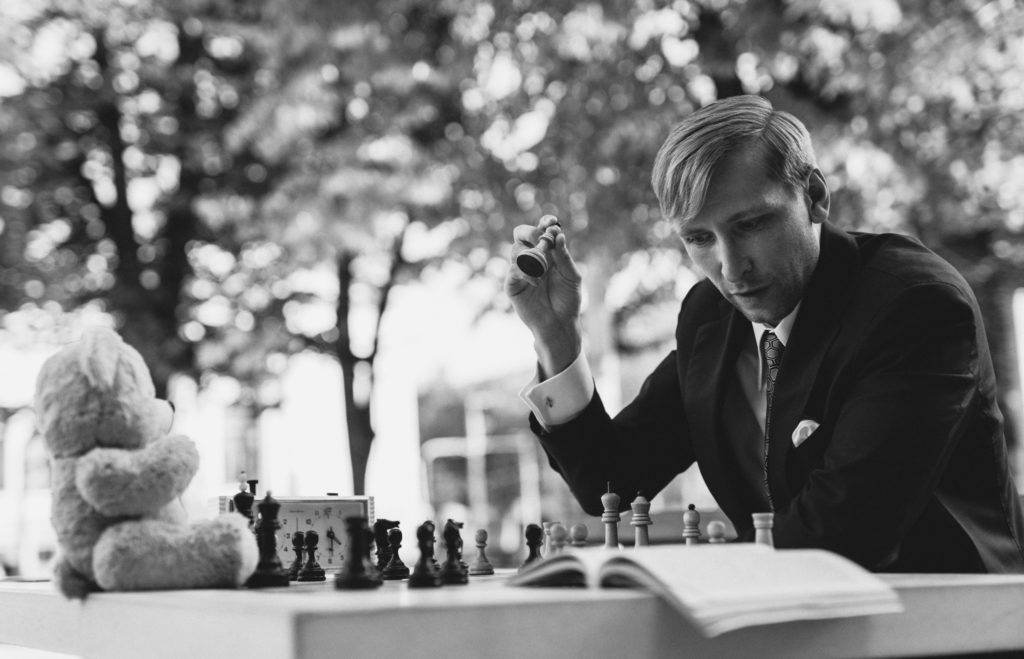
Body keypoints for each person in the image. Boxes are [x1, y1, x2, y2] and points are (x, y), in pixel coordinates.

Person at [505, 94, 1024, 573]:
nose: (732, 269)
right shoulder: (710, 317)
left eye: (751, 225)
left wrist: (683, 577)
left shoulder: (914, 305)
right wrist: (557, 337)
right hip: (788, 614)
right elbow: (612, 485)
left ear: (815, 196)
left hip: (947, 616)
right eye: (699, 238)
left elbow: (844, 532)